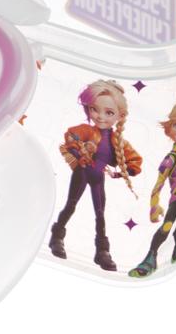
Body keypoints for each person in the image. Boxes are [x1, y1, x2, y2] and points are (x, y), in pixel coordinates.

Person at [48, 80, 142, 271]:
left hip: (98, 177)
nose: (100, 116)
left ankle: (102, 251)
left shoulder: (118, 142)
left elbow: (134, 160)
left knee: (100, 214)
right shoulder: (87, 131)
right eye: (94, 109)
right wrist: (79, 151)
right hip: (82, 172)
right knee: (71, 204)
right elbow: (70, 136)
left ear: (120, 115)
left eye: (109, 113)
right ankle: (56, 237)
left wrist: (122, 172)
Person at [128, 92, 176, 278]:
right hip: (175, 199)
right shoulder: (169, 160)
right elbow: (158, 186)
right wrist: (154, 206)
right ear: (169, 128)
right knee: (167, 226)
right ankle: (150, 258)